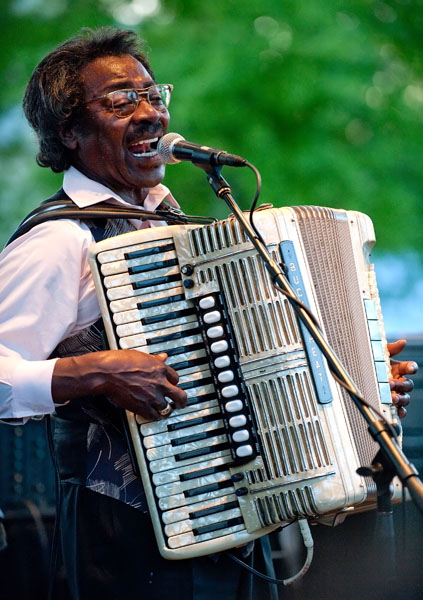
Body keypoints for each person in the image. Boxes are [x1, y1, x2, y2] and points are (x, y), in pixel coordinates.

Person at [0, 27, 418, 600]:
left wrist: (358, 383)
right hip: (128, 542)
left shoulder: (166, 224)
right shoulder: (59, 240)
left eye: (154, 95)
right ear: (70, 131)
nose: (150, 114)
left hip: (235, 521)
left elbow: (260, 366)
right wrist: (95, 372)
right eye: (122, 100)